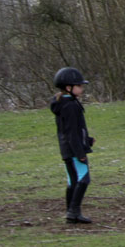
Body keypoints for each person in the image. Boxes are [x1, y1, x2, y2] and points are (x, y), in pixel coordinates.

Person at [50, 66, 95, 224]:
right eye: (79, 86)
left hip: (67, 149)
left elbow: (74, 129)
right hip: (74, 150)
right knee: (84, 179)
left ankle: (72, 212)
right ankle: (73, 211)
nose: (82, 88)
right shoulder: (70, 106)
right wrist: (80, 152)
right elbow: (71, 132)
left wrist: (87, 139)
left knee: (73, 181)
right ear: (69, 88)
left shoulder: (64, 103)